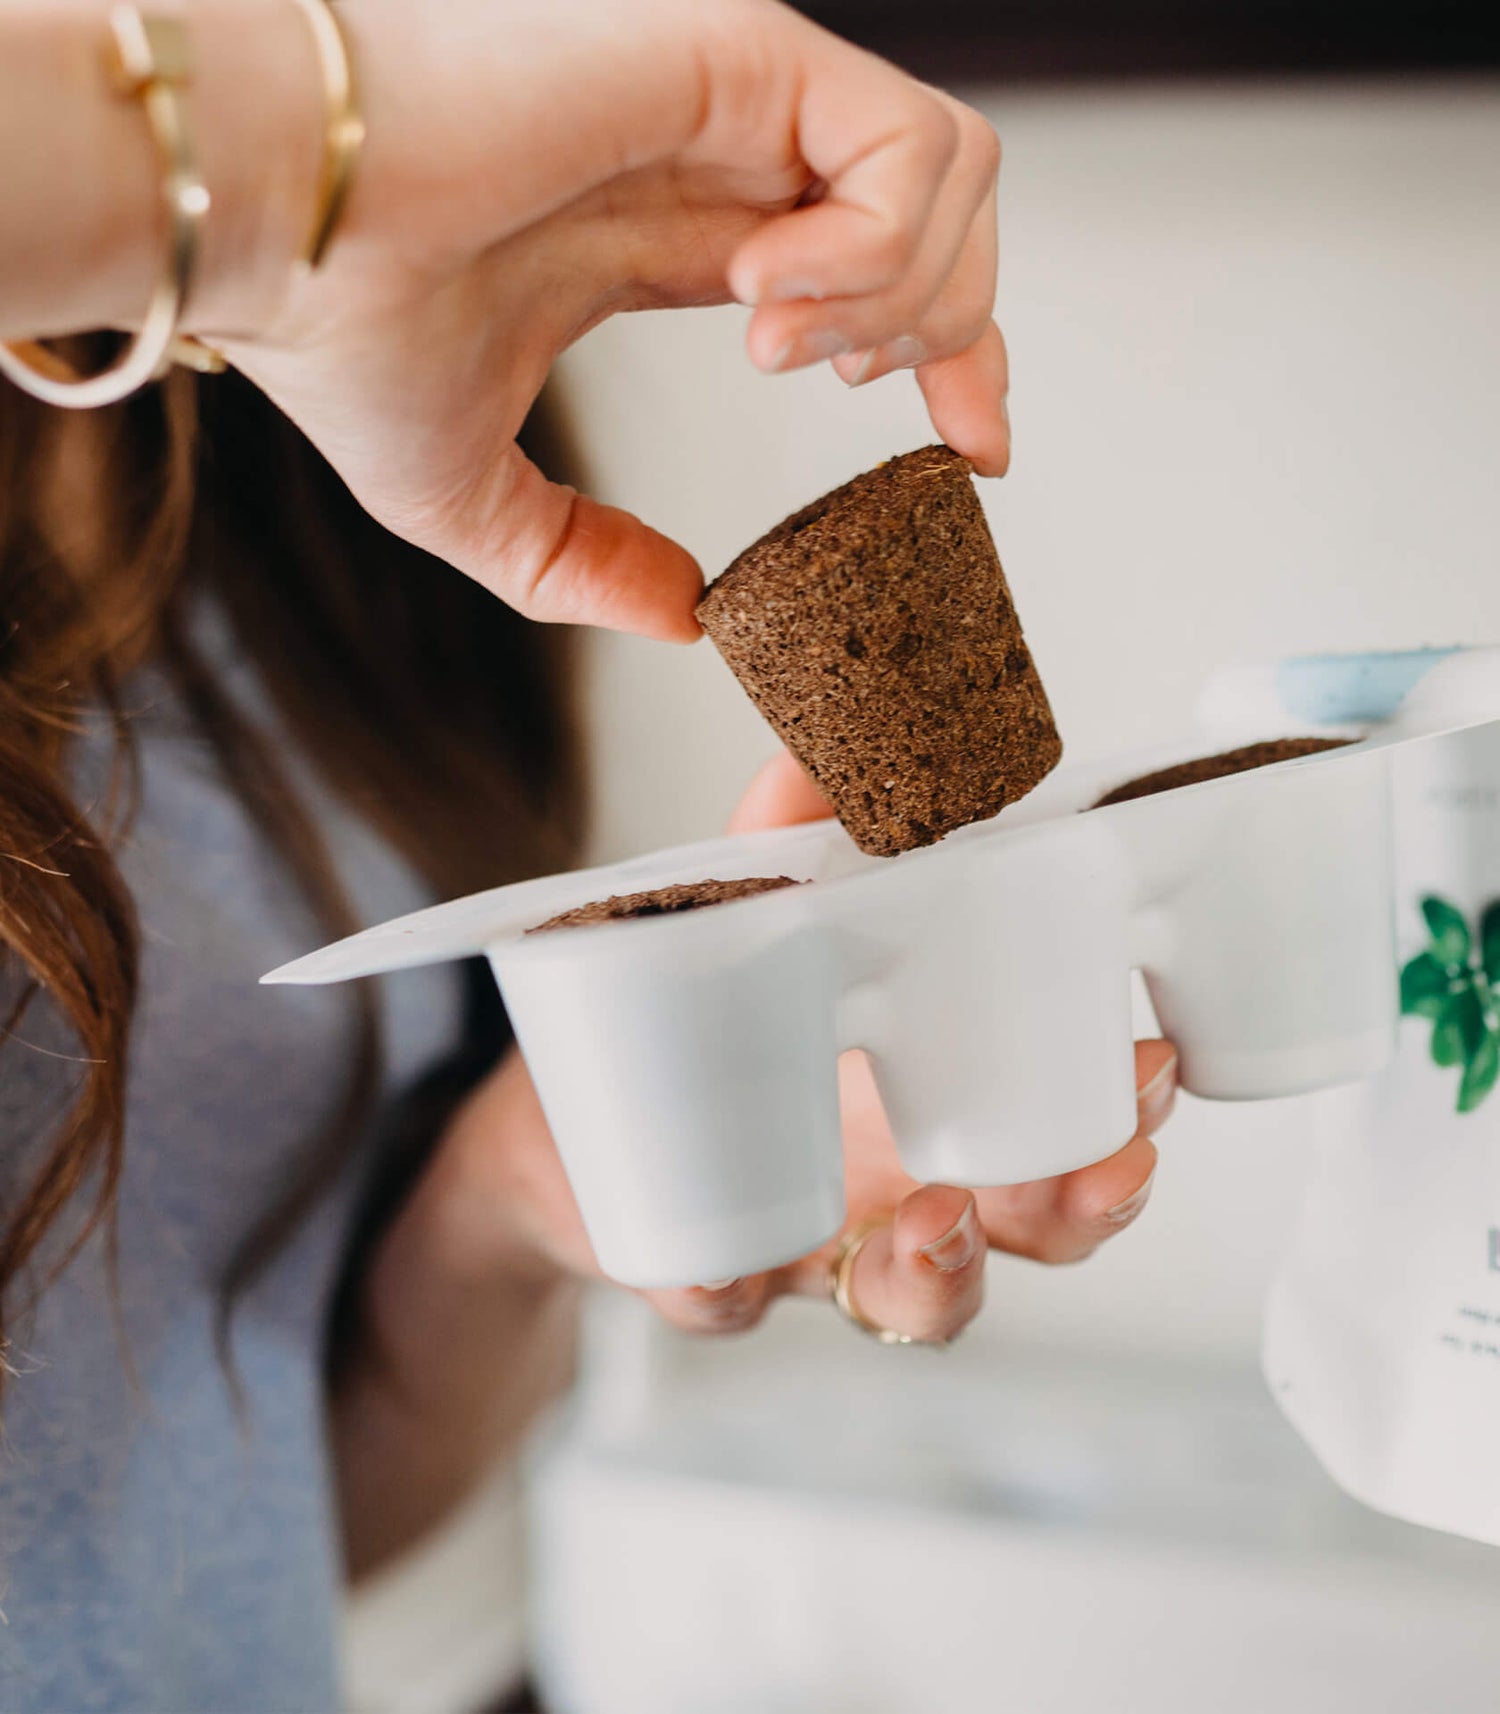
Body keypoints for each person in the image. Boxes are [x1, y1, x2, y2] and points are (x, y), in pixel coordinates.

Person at [0, 2, 1177, 1708]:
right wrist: (293, 166)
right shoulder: (297, 214)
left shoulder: (332, 529)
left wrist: (511, 1191)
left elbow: (232, 1523)